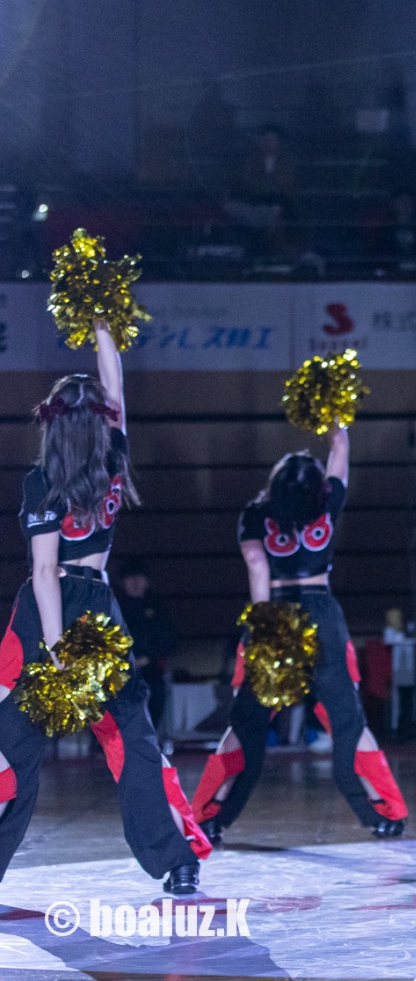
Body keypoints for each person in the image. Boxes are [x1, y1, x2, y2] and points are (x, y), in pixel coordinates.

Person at [0, 320, 210, 893]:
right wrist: (101, 329)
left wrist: (55, 648)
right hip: (98, 606)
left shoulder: (43, 480)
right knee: (131, 735)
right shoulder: (113, 456)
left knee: (14, 742)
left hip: (48, 611)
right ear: (100, 422)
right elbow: (117, 389)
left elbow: (45, 573)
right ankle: (176, 861)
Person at [191, 426, 408, 843]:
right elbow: (340, 445)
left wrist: (265, 626)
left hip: (274, 610)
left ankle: (209, 816)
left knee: (247, 723)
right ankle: (383, 812)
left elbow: (257, 566)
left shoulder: (254, 515)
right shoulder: (328, 504)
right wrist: (333, 418)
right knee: (347, 722)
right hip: (321, 613)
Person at [113, 559, 177, 734]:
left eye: (139, 578)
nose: (135, 582)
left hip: (150, 673)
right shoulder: (114, 607)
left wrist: (147, 658)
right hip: (119, 674)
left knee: (151, 716)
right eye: (130, 578)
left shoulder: (157, 608)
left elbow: (168, 639)